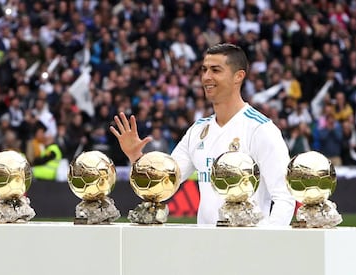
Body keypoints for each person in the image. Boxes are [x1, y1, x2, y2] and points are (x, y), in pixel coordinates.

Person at [111, 43, 295, 226]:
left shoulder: (260, 129)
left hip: (247, 246)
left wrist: (267, 243)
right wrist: (135, 157)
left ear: (238, 76)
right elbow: (165, 184)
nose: (206, 77)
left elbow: (284, 197)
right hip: (204, 245)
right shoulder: (197, 131)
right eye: (204, 70)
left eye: (216, 70)